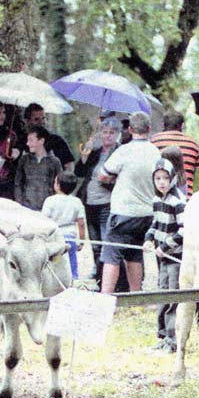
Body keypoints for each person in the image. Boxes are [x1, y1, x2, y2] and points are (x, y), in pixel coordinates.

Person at [98, 112, 160, 294]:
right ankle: (136, 294)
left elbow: (103, 173)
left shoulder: (124, 151)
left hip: (123, 211)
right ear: (148, 129)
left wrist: (113, 180)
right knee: (135, 254)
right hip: (147, 213)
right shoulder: (155, 152)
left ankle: (105, 296)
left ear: (130, 129)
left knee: (111, 256)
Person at [143, 158, 186, 353]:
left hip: (174, 256)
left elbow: (184, 231)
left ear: (173, 179)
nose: (161, 182)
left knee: (172, 296)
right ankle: (161, 336)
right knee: (161, 293)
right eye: (157, 178)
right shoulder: (156, 200)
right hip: (161, 256)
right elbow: (155, 223)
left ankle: (172, 338)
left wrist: (166, 246)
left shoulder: (177, 201)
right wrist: (148, 239)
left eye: (165, 178)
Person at [74, 116, 121, 281]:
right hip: (89, 201)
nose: (107, 136)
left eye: (112, 133)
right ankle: (97, 271)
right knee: (94, 241)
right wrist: (85, 156)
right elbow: (78, 172)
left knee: (106, 238)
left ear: (117, 135)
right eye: (105, 132)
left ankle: (105, 275)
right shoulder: (95, 152)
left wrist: (109, 180)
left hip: (107, 201)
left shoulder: (119, 152)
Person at [42, 171, 86, 280]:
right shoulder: (77, 202)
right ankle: (73, 279)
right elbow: (81, 223)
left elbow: (44, 220)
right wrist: (82, 240)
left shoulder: (50, 201)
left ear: (57, 185)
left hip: (54, 238)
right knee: (71, 261)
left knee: (54, 262)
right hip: (70, 238)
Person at [151, 110, 199, 197]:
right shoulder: (192, 144)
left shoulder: (154, 141)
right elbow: (192, 173)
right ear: (182, 125)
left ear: (163, 125)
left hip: (159, 198)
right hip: (185, 198)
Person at [14, 125, 62, 210]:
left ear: (41, 141)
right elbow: (18, 183)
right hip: (27, 207)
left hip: (47, 208)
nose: (27, 143)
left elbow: (60, 186)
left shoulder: (54, 161)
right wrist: (19, 203)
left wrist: (55, 206)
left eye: (31, 140)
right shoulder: (24, 159)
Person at [20, 103, 74, 170]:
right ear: (27, 121)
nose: (41, 122)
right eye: (36, 119)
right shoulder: (21, 141)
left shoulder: (56, 141)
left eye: (43, 118)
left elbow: (68, 164)